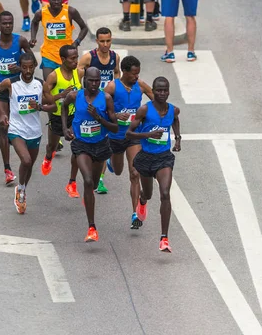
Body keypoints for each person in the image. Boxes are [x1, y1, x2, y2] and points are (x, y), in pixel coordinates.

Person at [0, 52, 55, 214]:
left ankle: (22, 189)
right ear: (20, 67)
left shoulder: (41, 84)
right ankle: (20, 189)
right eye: (24, 67)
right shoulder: (11, 83)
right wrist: (2, 114)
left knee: (30, 164)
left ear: (34, 67)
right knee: (26, 161)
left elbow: (53, 105)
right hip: (16, 129)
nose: (27, 71)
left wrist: (39, 107)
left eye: (30, 67)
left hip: (34, 131)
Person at [62, 67, 118, 242]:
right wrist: (65, 128)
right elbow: (63, 107)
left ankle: (88, 197)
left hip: (100, 146)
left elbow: (115, 127)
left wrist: (99, 118)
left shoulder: (106, 99)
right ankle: (92, 227)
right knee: (86, 181)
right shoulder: (75, 96)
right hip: (81, 145)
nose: (94, 84)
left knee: (92, 184)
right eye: (91, 80)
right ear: (85, 79)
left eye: (97, 81)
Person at [126, 76, 181, 252]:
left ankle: (164, 238)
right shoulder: (144, 110)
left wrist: (178, 138)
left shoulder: (173, 110)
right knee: (148, 194)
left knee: (165, 193)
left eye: (165, 90)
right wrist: (147, 136)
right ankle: (142, 200)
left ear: (169, 91)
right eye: (158, 90)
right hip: (146, 158)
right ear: (153, 91)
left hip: (164, 158)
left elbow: (175, 120)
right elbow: (129, 133)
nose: (162, 93)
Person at [0, 11, 33, 185]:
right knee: (4, 126)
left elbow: (33, 63)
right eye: (4, 23)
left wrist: (20, 68)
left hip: (17, 89)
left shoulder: (20, 41)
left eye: (10, 23)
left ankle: (21, 149)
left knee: (18, 127)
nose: (8, 26)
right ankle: (7, 169)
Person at [103, 56, 154, 229]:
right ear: (124, 71)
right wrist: (116, 116)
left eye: (138, 73)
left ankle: (135, 213)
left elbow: (155, 98)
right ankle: (111, 161)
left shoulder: (140, 85)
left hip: (133, 135)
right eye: (133, 74)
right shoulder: (112, 86)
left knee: (134, 173)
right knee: (118, 172)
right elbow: (101, 106)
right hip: (116, 136)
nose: (136, 77)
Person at [76, 26, 121, 194]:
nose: (105, 44)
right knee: (91, 138)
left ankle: (100, 179)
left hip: (106, 103)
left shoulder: (115, 57)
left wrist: (117, 96)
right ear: (96, 41)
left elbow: (117, 75)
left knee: (106, 140)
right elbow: (78, 77)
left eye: (108, 41)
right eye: (102, 41)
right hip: (90, 103)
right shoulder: (89, 57)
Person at [41, 45, 81, 196]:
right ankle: (48, 157)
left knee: (77, 149)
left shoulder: (79, 73)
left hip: (74, 118)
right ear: (63, 59)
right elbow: (44, 98)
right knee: (52, 146)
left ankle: (72, 182)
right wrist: (61, 95)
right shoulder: (53, 76)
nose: (75, 61)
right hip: (57, 117)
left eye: (76, 57)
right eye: (72, 59)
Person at [30, 0, 88, 80]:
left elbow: (84, 28)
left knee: (68, 85)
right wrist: (33, 37)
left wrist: (76, 42)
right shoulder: (41, 13)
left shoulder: (70, 11)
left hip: (67, 55)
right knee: (49, 83)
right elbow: (34, 22)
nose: (56, 2)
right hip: (49, 54)